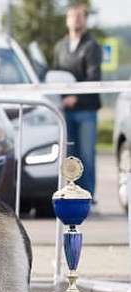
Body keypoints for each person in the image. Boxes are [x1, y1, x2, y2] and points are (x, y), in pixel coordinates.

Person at [53, 3, 102, 199]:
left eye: (80, 16)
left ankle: (89, 197)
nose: (76, 20)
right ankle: (72, 194)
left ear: (85, 19)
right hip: (65, 110)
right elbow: (55, 73)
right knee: (71, 155)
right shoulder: (60, 47)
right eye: (72, 16)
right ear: (67, 20)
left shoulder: (92, 46)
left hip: (86, 110)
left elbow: (94, 77)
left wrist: (76, 97)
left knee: (87, 156)